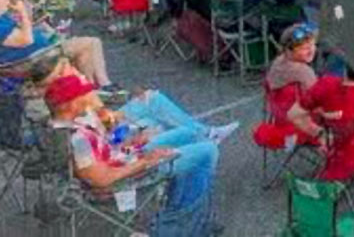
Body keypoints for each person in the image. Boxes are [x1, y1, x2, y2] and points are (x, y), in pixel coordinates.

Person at [46, 72, 228, 235]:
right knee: (207, 151)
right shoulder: (77, 139)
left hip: (127, 158)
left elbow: (105, 152)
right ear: (70, 104)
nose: (88, 97)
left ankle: (191, 223)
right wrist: (145, 161)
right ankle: (175, 228)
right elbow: (101, 179)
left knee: (190, 134)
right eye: (82, 95)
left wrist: (130, 144)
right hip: (129, 176)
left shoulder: (69, 123)